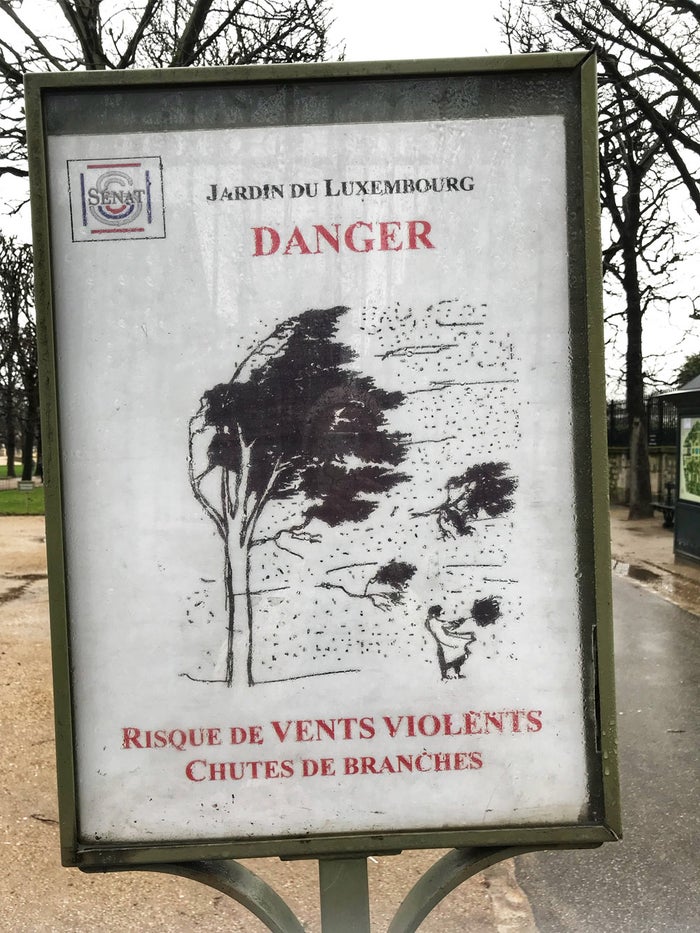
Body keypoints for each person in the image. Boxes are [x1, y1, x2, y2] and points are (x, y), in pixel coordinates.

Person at [425, 605, 476, 680]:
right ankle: (450, 674)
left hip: (443, 644)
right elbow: (451, 626)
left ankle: (450, 674)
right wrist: (460, 621)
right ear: (435, 615)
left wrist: (458, 622)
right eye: (442, 613)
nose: (444, 614)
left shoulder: (431, 622)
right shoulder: (437, 623)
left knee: (447, 659)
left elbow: (450, 625)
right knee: (458, 656)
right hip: (447, 643)